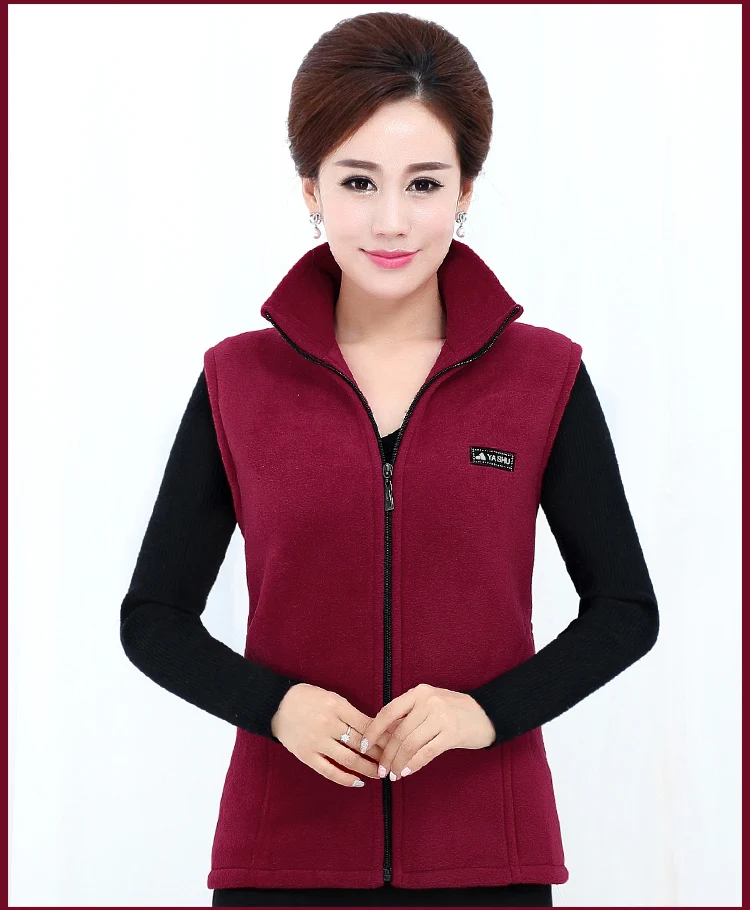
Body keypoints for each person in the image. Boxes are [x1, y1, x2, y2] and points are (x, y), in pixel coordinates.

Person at [120, 11, 659, 908]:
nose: (392, 220)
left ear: (465, 190)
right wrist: (275, 705)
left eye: (424, 183)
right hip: (281, 862)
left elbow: (625, 611)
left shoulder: (545, 378)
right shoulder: (236, 382)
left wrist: (483, 714)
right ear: (311, 189)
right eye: (359, 181)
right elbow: (154, 618)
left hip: (488, 861)